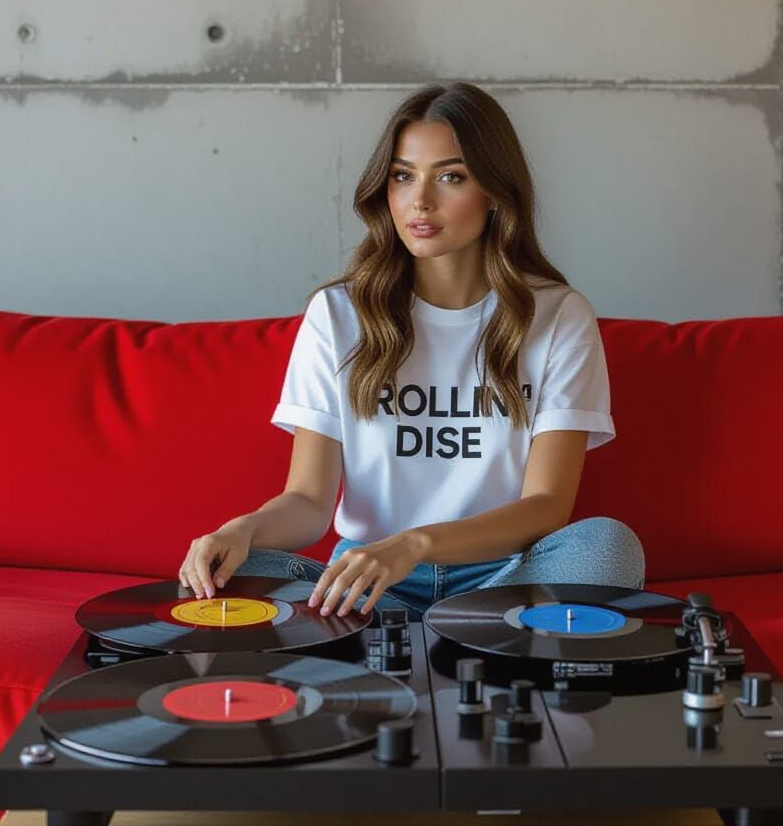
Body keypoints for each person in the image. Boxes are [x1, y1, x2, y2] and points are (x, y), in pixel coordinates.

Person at [179, 81, 645, 621]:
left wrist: (414, 545)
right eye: (403, 176)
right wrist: (242, 529)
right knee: (245, 570)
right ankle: (461, 645)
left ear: (495, 190)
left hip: (503, 580)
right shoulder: (338, 315)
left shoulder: (558, 316)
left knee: (609, 546)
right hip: (365, 583)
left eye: (451, 176)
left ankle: (401, 645)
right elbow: (308, 501)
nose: (420, 201)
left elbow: (546, 507)